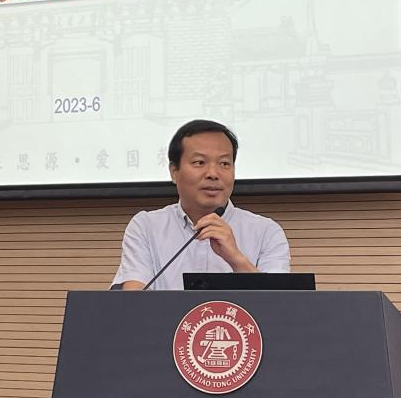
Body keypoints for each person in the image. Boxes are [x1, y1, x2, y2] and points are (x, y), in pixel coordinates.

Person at [112, 119, 290, 290]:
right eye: (199, 162)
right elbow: (134, 301)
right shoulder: (146, 227)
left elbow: (279, 305)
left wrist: (236, 259)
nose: (213, 173)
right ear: (174, 172)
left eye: (224, 163)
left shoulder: (266, 232)